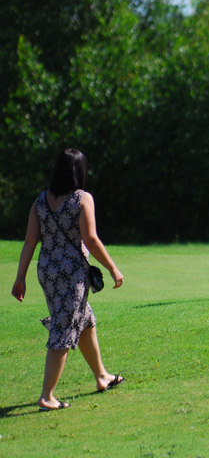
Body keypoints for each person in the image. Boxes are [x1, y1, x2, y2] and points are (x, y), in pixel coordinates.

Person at [11, 149, 126, 411]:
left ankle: (101, 376)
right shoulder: (82, 198)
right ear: (80, 172)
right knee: (63, 329)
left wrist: (20, 278)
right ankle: (47, 396)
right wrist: (112, 268)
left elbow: (30, 241)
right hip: (71, 273)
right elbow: (91, 239)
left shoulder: (40, 200)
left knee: (85, 320)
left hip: (47, 271)